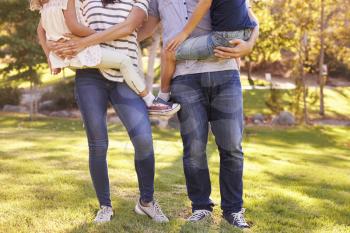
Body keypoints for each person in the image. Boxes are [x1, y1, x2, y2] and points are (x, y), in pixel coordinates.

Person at [39, 0, 170, 223]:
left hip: (125, 76)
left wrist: (85, 41)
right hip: (90, 73)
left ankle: (146, 202)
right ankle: (105, 206)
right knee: (98, 144)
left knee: (144, 140)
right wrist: (50, 53)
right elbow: (42, 25)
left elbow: (130, 27)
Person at [137, 0, 259, 229]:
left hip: (224, 72)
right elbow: (145, 30)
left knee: (232, 146)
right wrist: (113, 40)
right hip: (184, 78)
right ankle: (201, 206)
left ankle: (233, 210)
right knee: (193, 148)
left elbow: (251, 18)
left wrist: (249, 45)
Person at [32, 0, 180, 116]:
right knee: (124, 61)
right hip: (79, 52)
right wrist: (96, 36)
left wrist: (50, 57)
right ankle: (151, 102)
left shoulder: (46, 4)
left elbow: (40, 30)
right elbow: (74, 27)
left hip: (64, 55)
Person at [158, 0, 258, 102]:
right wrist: (249, 43)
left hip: (223, 38)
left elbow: (205, 2)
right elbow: (253, 20)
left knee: (169, 51)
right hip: (245, 33)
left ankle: (163, 98)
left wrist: (184, 33)